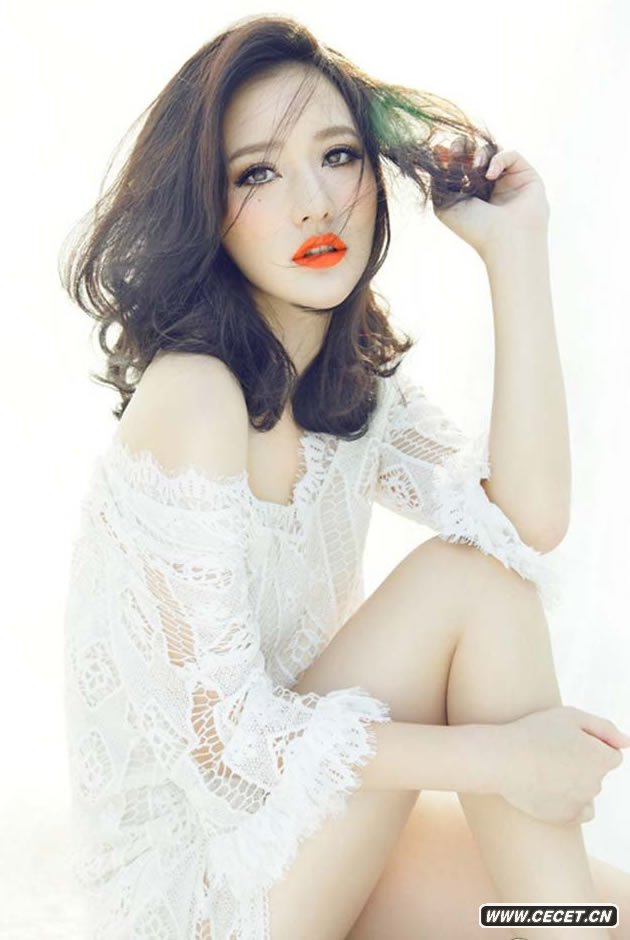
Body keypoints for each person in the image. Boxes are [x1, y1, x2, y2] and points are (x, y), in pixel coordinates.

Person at [59, 13, 630, 939]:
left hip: (310, 825)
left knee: (598, 913)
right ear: (202, 209)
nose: (315, 204)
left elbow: (527, 520)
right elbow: (225, 752)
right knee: (468, 582)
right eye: (258, 174)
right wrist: (502, 759)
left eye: (337, 157)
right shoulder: (194, 394)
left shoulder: (349, 389)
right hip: (202, 883)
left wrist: (516, 250)